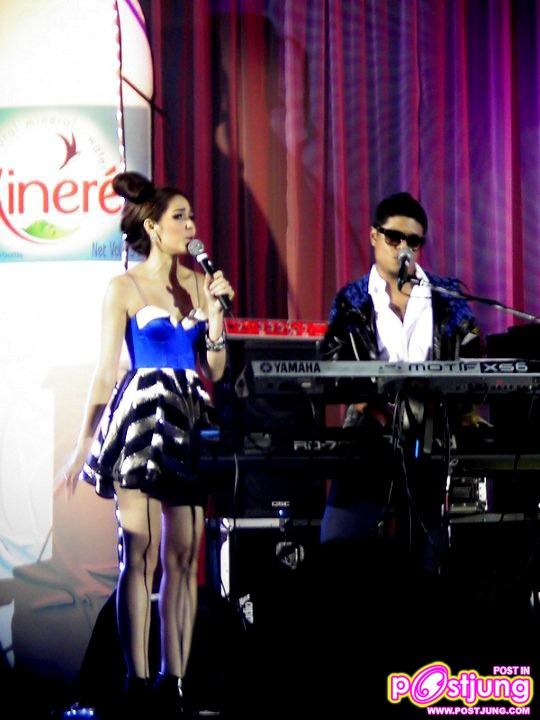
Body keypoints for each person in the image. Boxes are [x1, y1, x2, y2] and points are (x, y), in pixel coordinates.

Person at [64, 171, 234, 717]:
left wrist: (216, 317)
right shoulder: (125, 287)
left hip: (187, 415)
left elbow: (214, 369)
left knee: (184, 556)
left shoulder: (199, 285)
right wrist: (82, 443)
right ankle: (135, 680)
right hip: (141, 417)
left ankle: (174, 680)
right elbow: (104, 371)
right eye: (179, 217)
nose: (191, 225)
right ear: (154, 228)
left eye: (192, 216)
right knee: (138, 552)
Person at [319, 191, 481, 569]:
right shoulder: (352, 299)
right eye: (394, 238)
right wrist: (374, 407)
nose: (403, 248)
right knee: (339, 543)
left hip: (431, 437)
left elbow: (473, 357)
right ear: (374, 236)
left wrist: (459, 409)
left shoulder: (446, 296)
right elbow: (332, 365)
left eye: (413, 241)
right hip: (370, 434)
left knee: (429, 552)